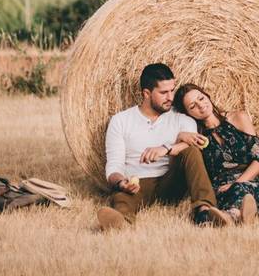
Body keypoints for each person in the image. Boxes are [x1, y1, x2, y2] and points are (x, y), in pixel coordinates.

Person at [96, 63, 233, 230]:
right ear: (146, 93)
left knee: (191, 150)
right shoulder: (121, 121)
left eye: (172, 90)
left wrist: (166, 147)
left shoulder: (183, 119)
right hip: (137, 183)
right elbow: (114, 166)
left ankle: (205, 212)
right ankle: (120, 223)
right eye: (163, 92)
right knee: (121, 197)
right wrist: (122, 182)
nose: (170, 97)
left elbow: (196, 147)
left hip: (172, 181)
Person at [172, 83, 259, 225]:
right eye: (192, 106)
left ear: (208, 96)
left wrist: (237, 183)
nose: (200, 105)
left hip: (250, 181)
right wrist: (181, 135)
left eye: (201, 98)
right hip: (220, 188)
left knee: (242, 190)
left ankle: (231, 216)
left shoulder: (238, 118)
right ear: (188, 114)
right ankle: (248, 213)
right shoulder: (197, 136)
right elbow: (177, 155)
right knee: (211, 205)